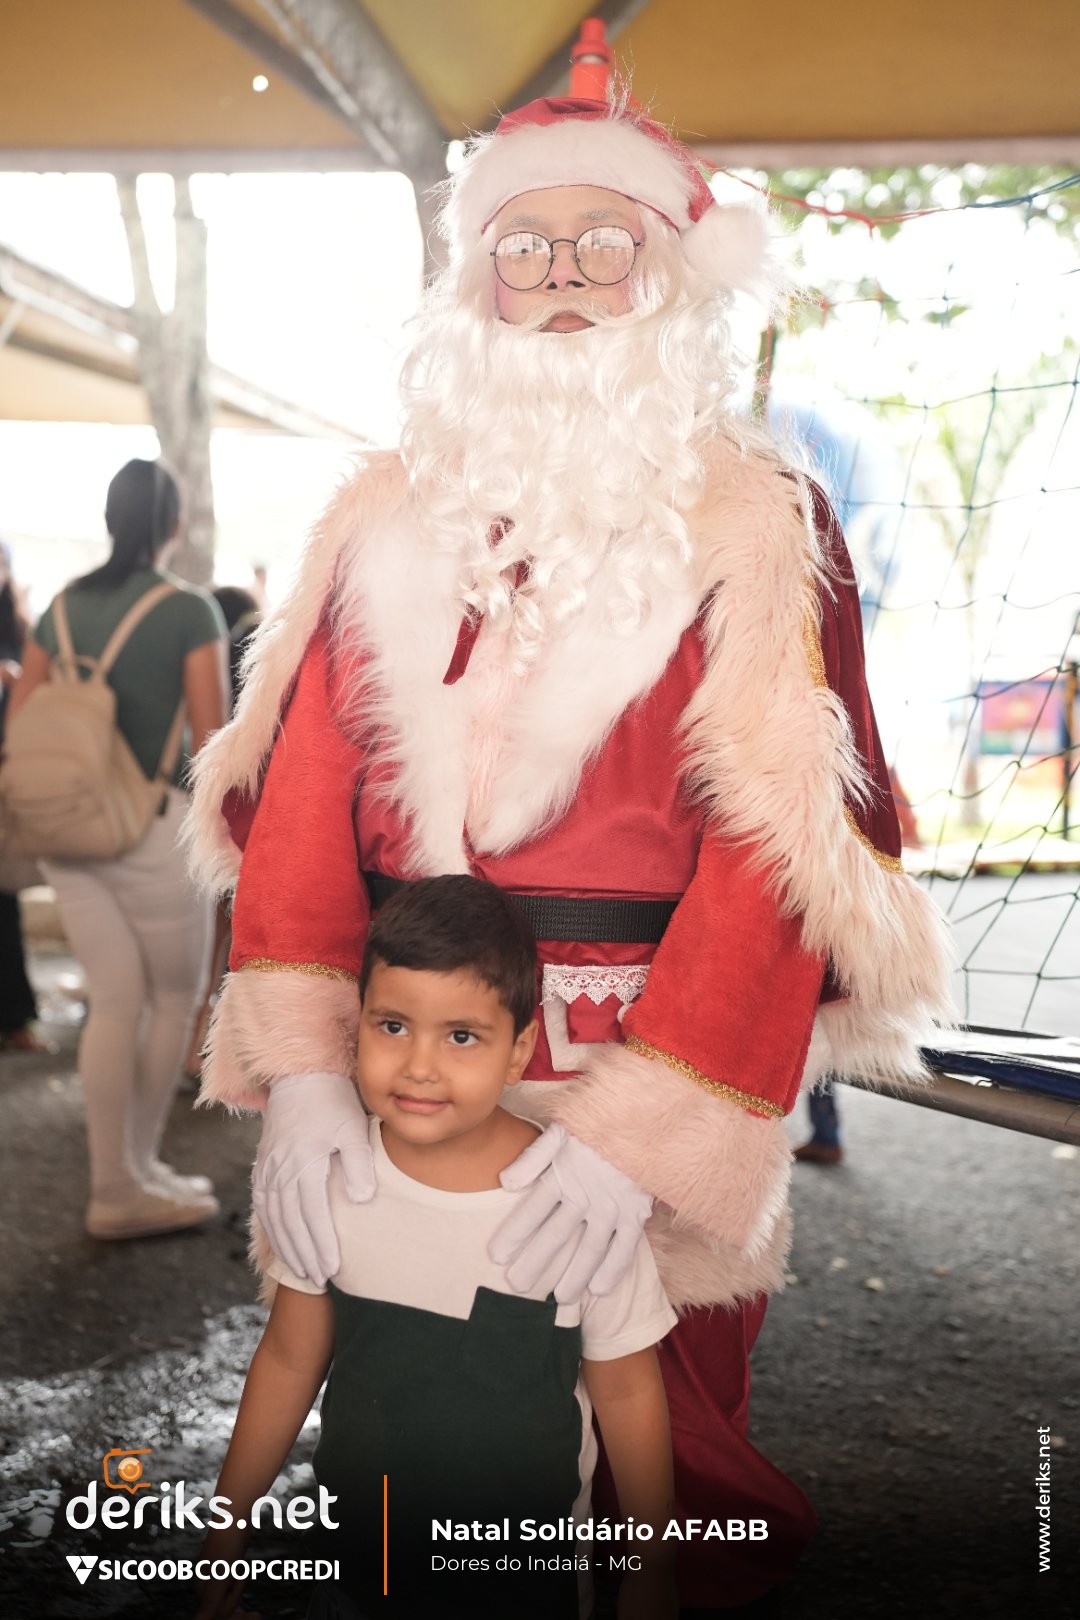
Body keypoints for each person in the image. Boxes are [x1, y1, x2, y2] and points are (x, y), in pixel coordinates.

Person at [189, 94, 954, 1608]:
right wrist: (309, 1075)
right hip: (406, 1055)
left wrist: (642, 1134)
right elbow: (302, 808)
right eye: (522, 245)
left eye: (601, 244)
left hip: (647, 1048)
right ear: (472, 278)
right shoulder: (380, 514)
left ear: (673, 272)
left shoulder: (762, 522)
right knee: (414, 1421)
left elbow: (780, 854)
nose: (557, 280)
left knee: (676, 1455)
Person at [194, 876, 678, 1620]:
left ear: (518, 1050)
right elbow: (289, 1359)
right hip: (357, 1577)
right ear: (356, 1024)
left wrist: (650, 1572)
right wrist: (225, 1532)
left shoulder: (577, 1207)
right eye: (393, 1026)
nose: (420, 1066)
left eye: (461, 1036)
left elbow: (628, 1393)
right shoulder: (333, 1180)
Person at [10, 458, 228, 1238]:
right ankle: (132, 1175)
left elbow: (23, 714)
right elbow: (212, 740)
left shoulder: (63, 606)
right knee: (172, 1000)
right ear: (171, 524)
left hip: (68, 827)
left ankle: (120, 1181)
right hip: (151, 828)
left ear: (110, 519)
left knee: (113, 1001)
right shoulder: (189, 610)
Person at [0, 541, 50, 1051]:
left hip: (9, 772)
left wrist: (17, 683)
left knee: (4, 899)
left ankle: (16, 1018)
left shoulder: (22, 627)